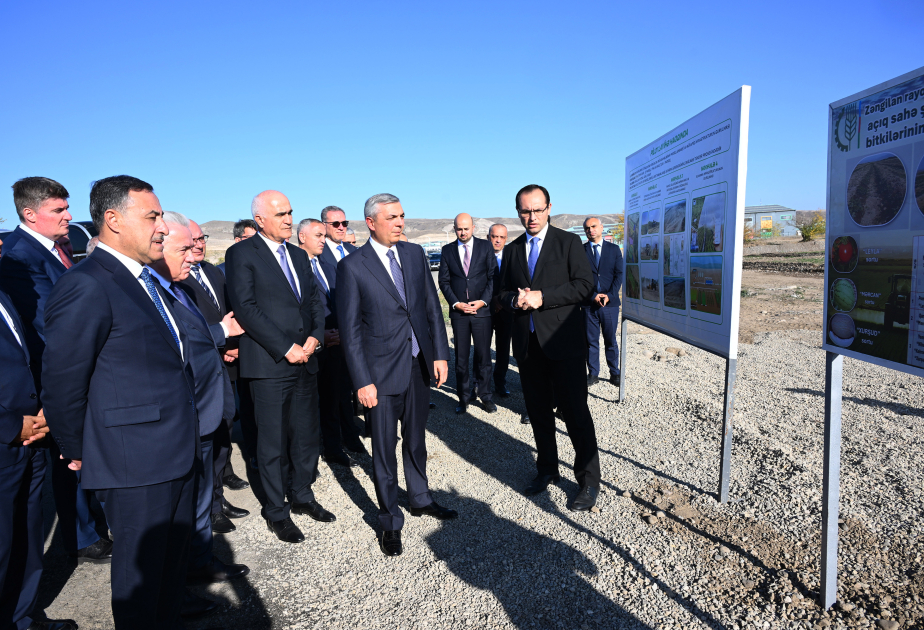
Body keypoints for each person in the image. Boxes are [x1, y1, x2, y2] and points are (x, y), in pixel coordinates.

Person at [41, 175, 200, 629]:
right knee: (140, 585)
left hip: (175, 450)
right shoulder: (87, 283)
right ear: (113, 220)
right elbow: (63, 381)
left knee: (170, 575)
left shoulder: (144, 279)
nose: (162, 227)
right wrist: (77, 449)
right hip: (134, 461)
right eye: (151, 217)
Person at [0, 177, 112, 565]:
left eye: (67, 207)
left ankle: (91, 524)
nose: (68, 215)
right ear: (30, 214)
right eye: (58, 210)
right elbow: (51, 323)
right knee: (68, 456)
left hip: (72, 365)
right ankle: (81, 536)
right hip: (51, 376)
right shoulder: (19, 256)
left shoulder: (57, 248)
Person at [338, 193, 455, 557]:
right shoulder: (352, 266)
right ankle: (390, 519)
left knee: (416, 440)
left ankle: (420, 498)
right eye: (392, 218)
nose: (400, 222)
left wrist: (439, 354)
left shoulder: (414, 254)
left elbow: (431, 308)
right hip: (380, 375)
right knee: (384, 451)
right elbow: (350, 332)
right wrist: (362, 381)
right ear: (371, 223)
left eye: (402, 216)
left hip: (418, 366)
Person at [147, 212, 249, 589]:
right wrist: (221, 332)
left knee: (201, 495)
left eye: (196, 246)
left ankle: (199, 562)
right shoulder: (152, 292)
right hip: (181, 417)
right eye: (184, 249)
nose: (193, 256)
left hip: (206, 406)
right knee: (183, 503)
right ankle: (183, 576)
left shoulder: (179, 287)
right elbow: (173, 343)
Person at [225, 190, 331, 544]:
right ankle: (276, 511)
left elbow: (313, 301)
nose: (288, 219)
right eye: (280, 214)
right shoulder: (242, 253)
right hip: (270, 365)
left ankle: (302, 495)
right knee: (271, 444)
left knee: (306, 436)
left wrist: (315, 337)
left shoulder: (298, 255)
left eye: (290, 212)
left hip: (306, 361)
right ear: (259, 220)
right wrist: (286, 348)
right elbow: (246, 308)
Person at [497, 184, 600, 511]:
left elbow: (585, 286)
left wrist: (543, 297)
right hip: (528, 346)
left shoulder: (568, 242)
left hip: (564, 343)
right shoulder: (513, 250)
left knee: (575, 413)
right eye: (525, 211)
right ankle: (547, 469)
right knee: (539, 412)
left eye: (537, 210)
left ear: (549, 208)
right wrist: (513, 300)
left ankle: (588, 480)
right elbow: (501, 293)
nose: (532, 216)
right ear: (518, 212)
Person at [0, 287, 75, 630]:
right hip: (9, 435)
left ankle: (21, 617)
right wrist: (10, 426)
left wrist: (45, 405)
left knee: (27, 537)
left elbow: (22, 357)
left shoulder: (4, 293)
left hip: (31, 437)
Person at [186, 219, 251, 532]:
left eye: (203, 238)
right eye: (193, 239)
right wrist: (219, 342)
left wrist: (231, 343)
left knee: (225, 424)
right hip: (202, 366)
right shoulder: (175, 278)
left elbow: (229, 313)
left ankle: (218, 496)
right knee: (207, 437)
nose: (199, 244)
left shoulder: (213, 272)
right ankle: (210, 508)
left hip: (226, 359)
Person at [297, 218, 358, 467]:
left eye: (324, 235)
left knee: (335, 397)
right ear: (302, 237)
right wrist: (318, 335)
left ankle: (334, 448)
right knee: (310, 405)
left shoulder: (327, 266)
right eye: (318, 236)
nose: (324, 240)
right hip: (309, 346)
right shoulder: (294, 267)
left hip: (335, 342)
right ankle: (310, 456)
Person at [315, 208, 363, 453]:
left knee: (355, 384)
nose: (341, 227)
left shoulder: (355, 252)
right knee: (336, 391)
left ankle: (353, 433)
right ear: (324, 225)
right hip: (333, 333)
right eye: (335, 223)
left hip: (357, 332)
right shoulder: (317, 255)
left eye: (344, 222)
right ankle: (339, 440)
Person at [438, 213, 496, 414]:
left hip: (482, 313)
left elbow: (492, 277)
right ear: (454, 228)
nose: (462, 232)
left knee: (483, 357)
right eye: (459, 229)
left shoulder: (486, 247)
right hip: (460, 315)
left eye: (466, 228)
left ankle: (485, 395)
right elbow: (443, 281)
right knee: (461, 359)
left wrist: (482, 301)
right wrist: (456, 304)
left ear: (473, 228)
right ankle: (463, 398)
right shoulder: (447, 250)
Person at [582, 217, 624, 387]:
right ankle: (593, 373)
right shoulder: (580, 251)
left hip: (610, 305)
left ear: (601, 227)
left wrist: (610, 296)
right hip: (589, 304)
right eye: (587, 228)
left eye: (593, 226)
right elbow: (577, 277)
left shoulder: (614, 250)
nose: (590, 230)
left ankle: (615, 373)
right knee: (590, 341)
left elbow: (619, 275)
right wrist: (592, 295)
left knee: (610, 340)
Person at [487, 223, 513, 398]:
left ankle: (500, 383)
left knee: (503, 350)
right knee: (483, 349)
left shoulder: (512, 257)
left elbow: (516, 281)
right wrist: (492, 300)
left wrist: (503, 301)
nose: (497, 240)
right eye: (494, 236)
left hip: (506, 310)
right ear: (488, 237)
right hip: (486, 310)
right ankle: (480, 383)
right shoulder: (480, 256)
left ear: (506, 239)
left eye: (501, 237)